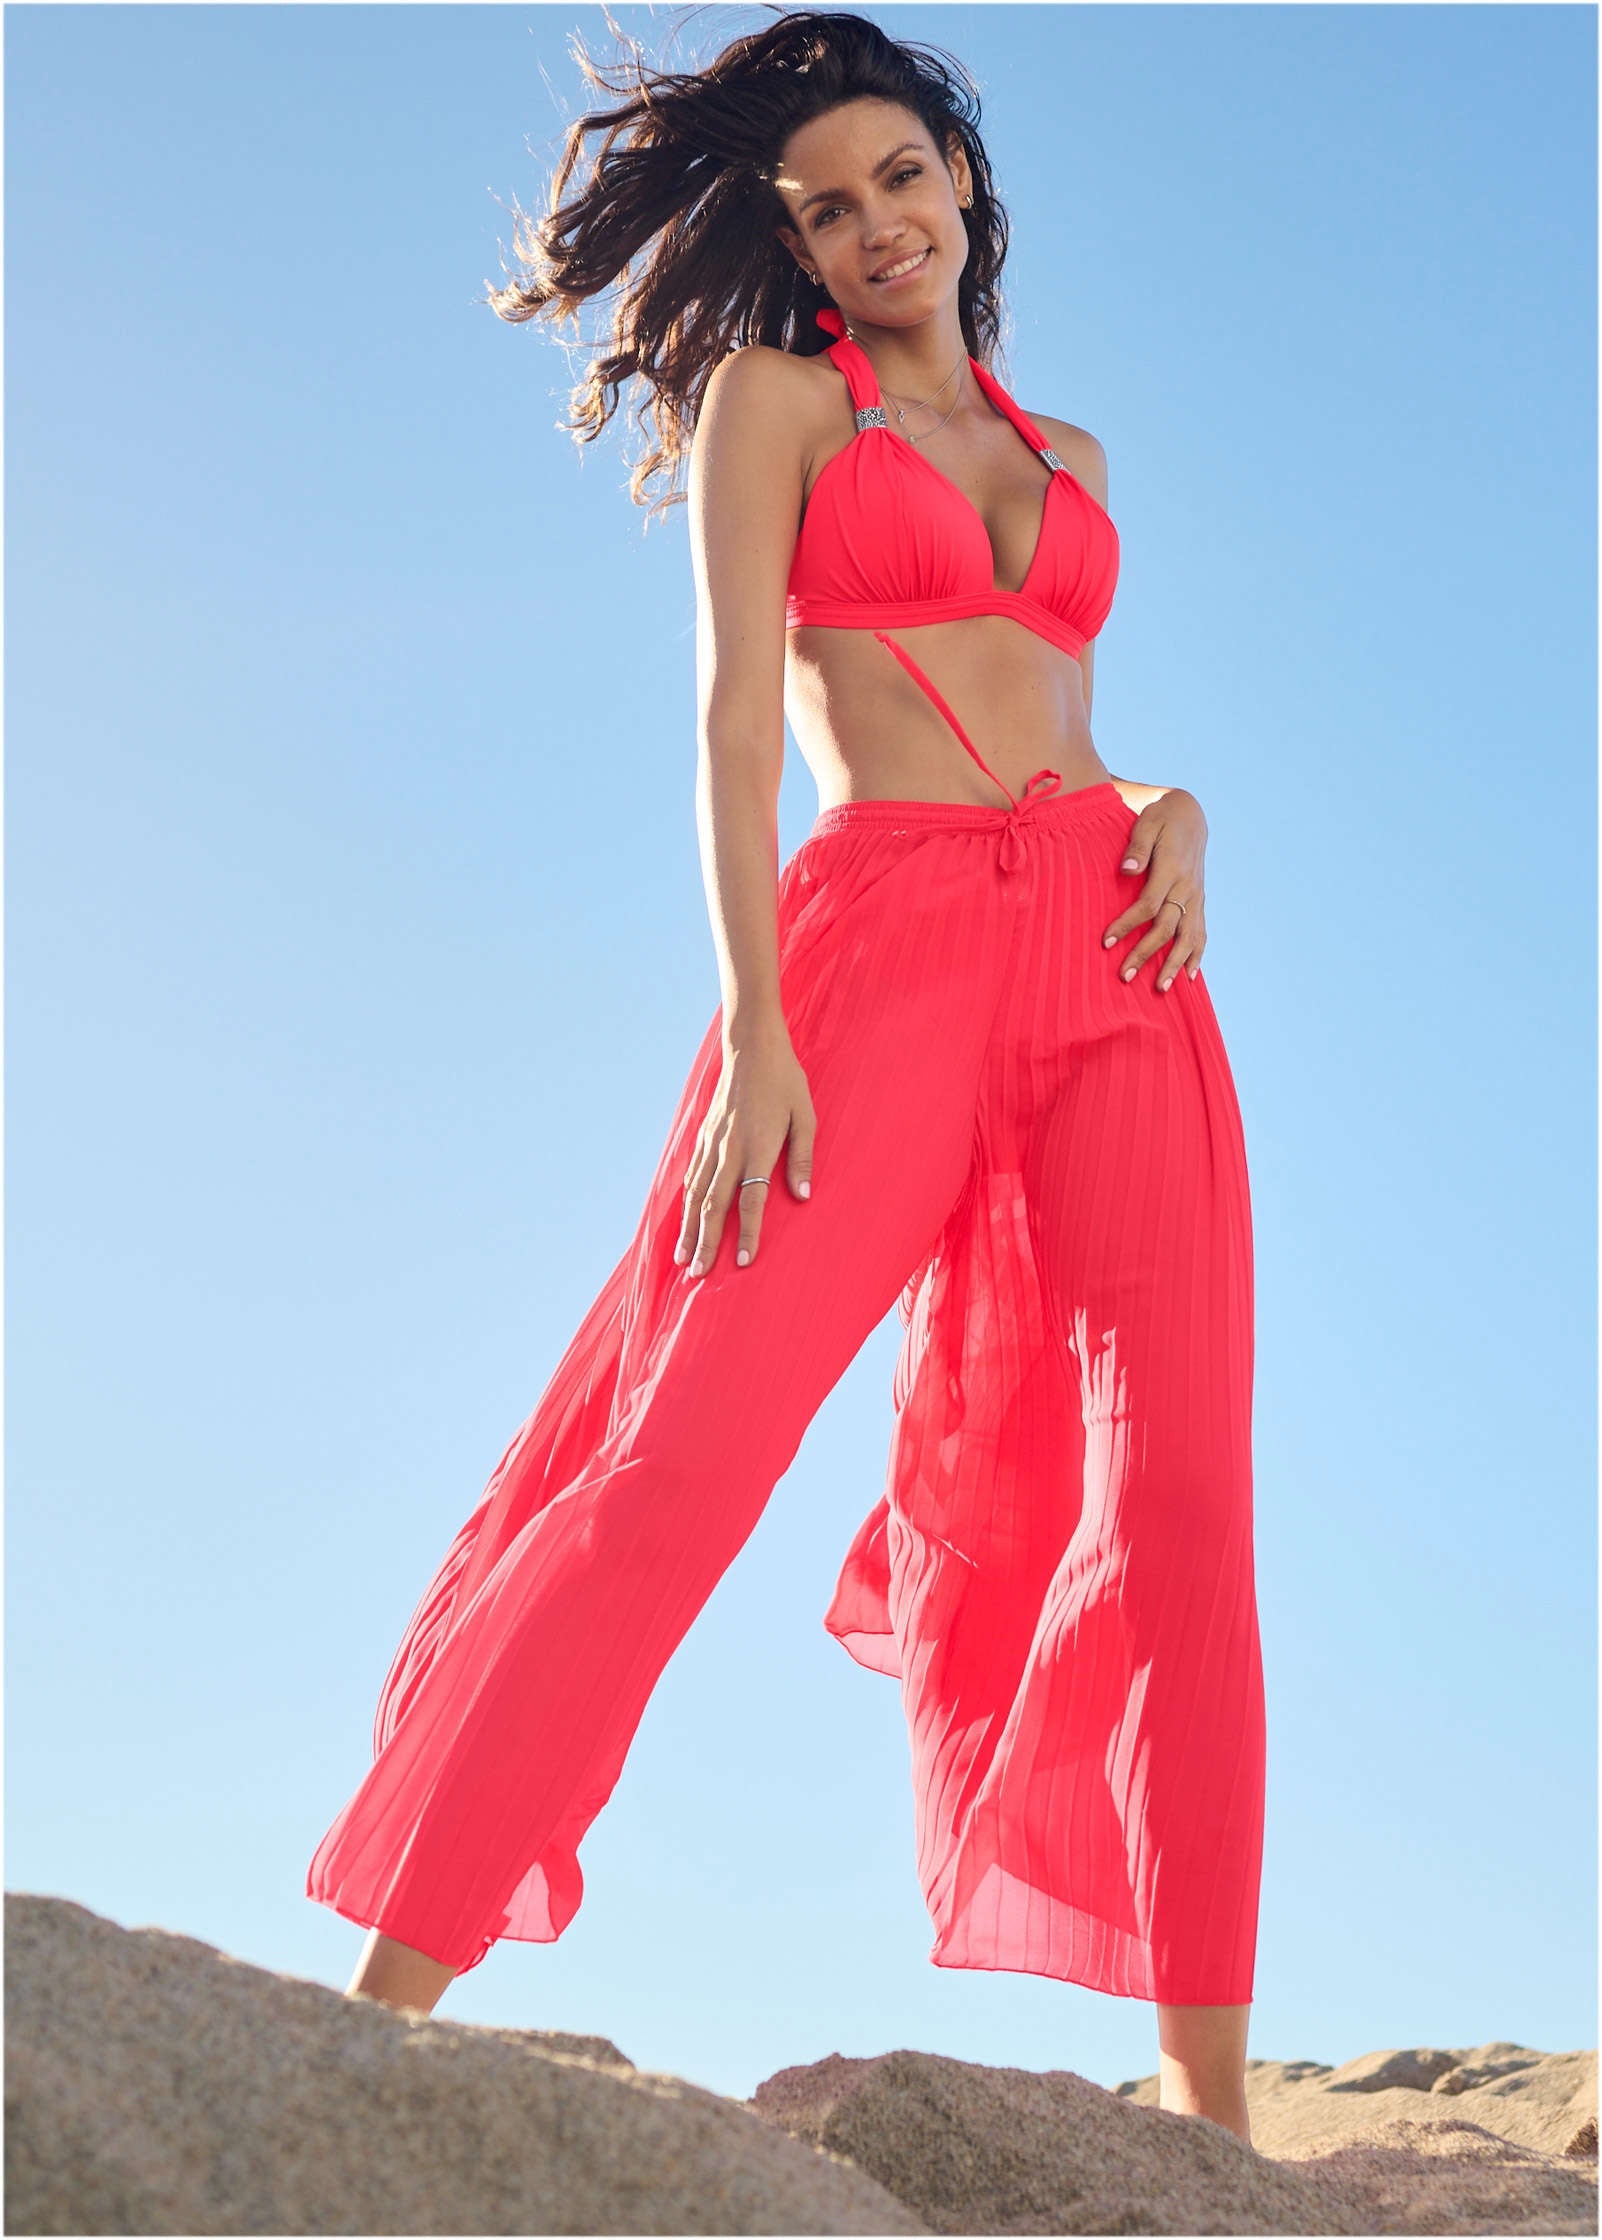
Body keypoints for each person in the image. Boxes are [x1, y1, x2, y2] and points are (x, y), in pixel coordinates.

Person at [306, 9, 1265, 2148]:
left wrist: (1176, 805)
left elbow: (1065, 730)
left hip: (1114, 959)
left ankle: (1208, 2102)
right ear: (799, 245)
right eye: (827, 207)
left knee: (1182, 1496)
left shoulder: (1074, 458)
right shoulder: (778, 402)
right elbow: (742, 721)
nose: (875, 224)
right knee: (681, 1456)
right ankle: (380, 2000)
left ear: (962, 181)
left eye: (901, 176)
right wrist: (757, 1030)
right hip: (869, 959)